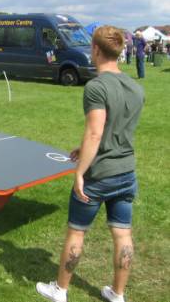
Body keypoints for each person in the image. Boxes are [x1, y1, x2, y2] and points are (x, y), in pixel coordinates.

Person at [36, 26, 144, 302]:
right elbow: (113, 129)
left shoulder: (96, 87)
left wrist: (80, 172)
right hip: (126, 172)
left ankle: (60, 291)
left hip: (99, 175)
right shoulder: (135, 86)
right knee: (123, 235)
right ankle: (117, 295)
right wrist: (83, 149)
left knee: (76, 232)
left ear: (95, 50)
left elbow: (96, 132)